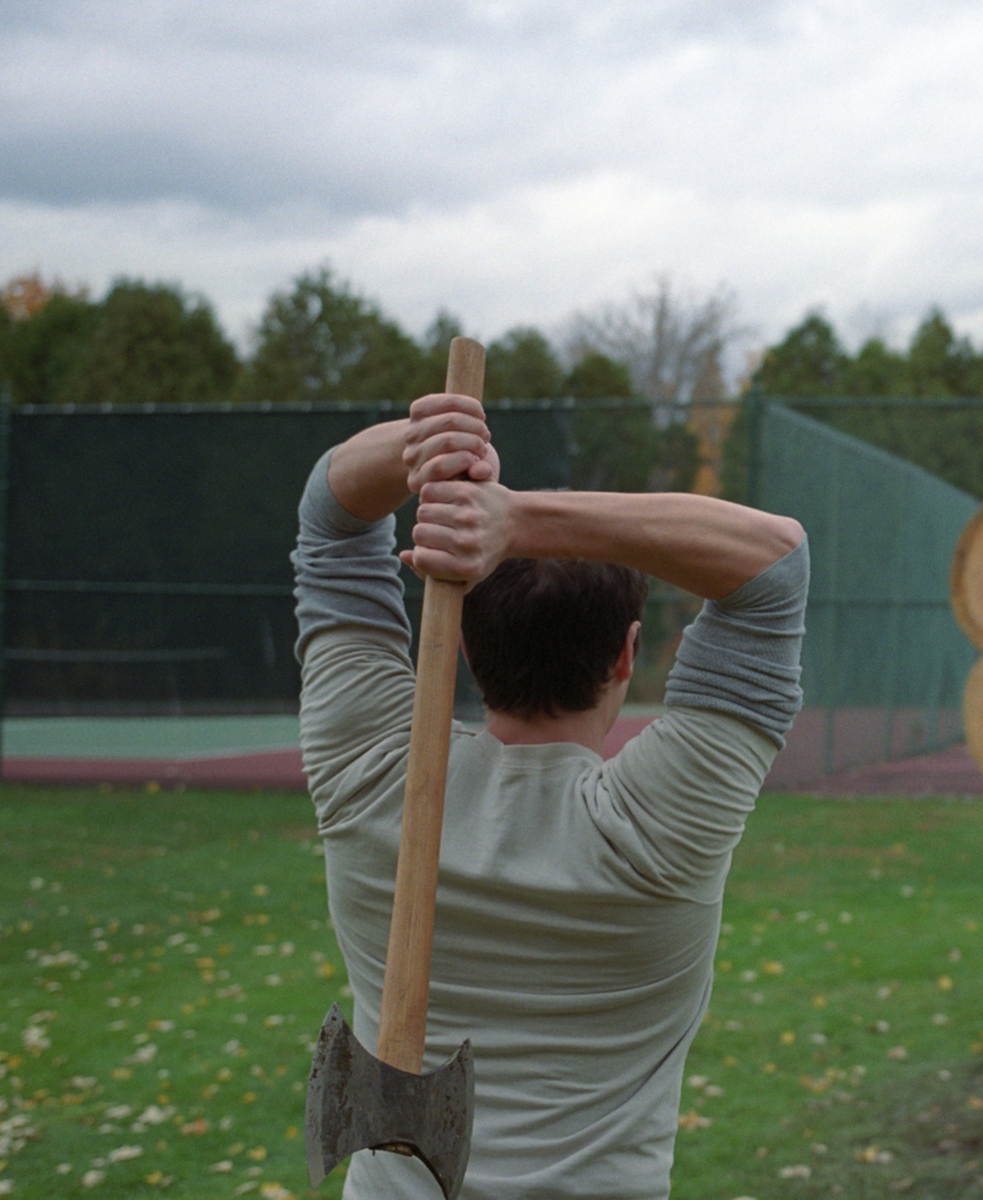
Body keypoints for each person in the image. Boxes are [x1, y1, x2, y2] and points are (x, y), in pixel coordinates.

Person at [291, 391, 807, 1199]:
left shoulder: (370, 774)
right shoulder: (661, 829)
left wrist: (431, 447)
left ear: (458, 638)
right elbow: (774, 567)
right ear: (627, 655)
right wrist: (519, 520)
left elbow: (329, 519)